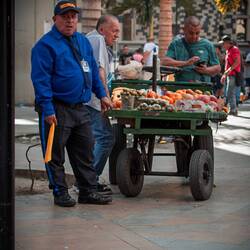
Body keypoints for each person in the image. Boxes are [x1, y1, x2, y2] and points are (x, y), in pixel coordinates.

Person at [31, 1, 113, 207]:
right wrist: (48, 109)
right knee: (55, 155)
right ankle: (60, 192)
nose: (69, 20)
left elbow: (93, 70)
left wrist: (102, 94)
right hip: (56, 109)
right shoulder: (45, 46)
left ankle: (87, 191)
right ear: (55, 19)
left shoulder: (82, 41)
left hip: (80, 108)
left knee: (85, 152)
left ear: (77, 19)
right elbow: (41, 81)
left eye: (73, 16)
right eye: (65, 16)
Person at [86, 15, 120, 194]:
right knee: (106, 138)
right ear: (102, 30)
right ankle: (88, 182)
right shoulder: (98, 40)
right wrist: (105, 97)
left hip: (88, 99)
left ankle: (86, 180)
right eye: (114, 31)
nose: (117, 35)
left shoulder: (89, 39)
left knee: (94, 140)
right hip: (92, 100)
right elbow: (100, 71)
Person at [163, 16, 221, 83]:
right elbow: (165, 62)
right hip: (181, 90)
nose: (194, 36)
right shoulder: (176, 44)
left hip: (203, 89)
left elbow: (217, 68)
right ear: (184, 30)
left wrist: (206, 70)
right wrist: (186, 63)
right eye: (191, 33)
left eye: (197, 33)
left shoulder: (208, 45)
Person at [220, 35, 241, 116]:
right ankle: (232, 109)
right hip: (229, 74)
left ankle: (231, 109)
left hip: (233, 74)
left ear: (228, 43)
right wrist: (224, 74)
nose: (222, 46)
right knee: (230, 92)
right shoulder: (228, 50)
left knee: (230, 92)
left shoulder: (234, 49)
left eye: (223, 44)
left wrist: (229, 70)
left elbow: (237, 62)